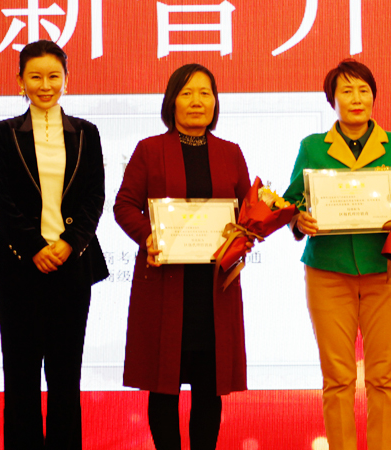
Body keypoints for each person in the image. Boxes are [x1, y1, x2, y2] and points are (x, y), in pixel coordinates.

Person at [282, 59, 391, 450]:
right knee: (338, 378)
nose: (356, 98)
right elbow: (291, 203)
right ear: (332, 99)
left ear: (374, 96)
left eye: (363, 90)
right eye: (346, 90)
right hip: (328, 271)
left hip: (385, 270)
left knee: (384, 379)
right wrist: (299, 220)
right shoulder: (312, 146)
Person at [114, 64, 250, 450]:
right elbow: (124, 205)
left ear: (215, 102)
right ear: (172, 101)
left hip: (214, 291)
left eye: (205, 93)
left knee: (209, 388)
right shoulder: (149, 150)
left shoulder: (230, 153)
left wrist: (246, 235)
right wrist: (149, 237)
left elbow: (248, 213)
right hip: (164, 286)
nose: (196, 101)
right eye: (187, 93)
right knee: (164, 387)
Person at [0, 40, 108, 449]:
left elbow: (94, 197)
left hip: (73, 267)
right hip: (17, 267)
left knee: (66, 376)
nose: (45, 85)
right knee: (20, 376)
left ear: (67, 79)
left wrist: (69, 243)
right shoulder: (2, 134)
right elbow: (0, 199)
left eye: (54, 76)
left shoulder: (87, 133)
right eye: (35, 76)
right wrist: (35, 246)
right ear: (20, 81)